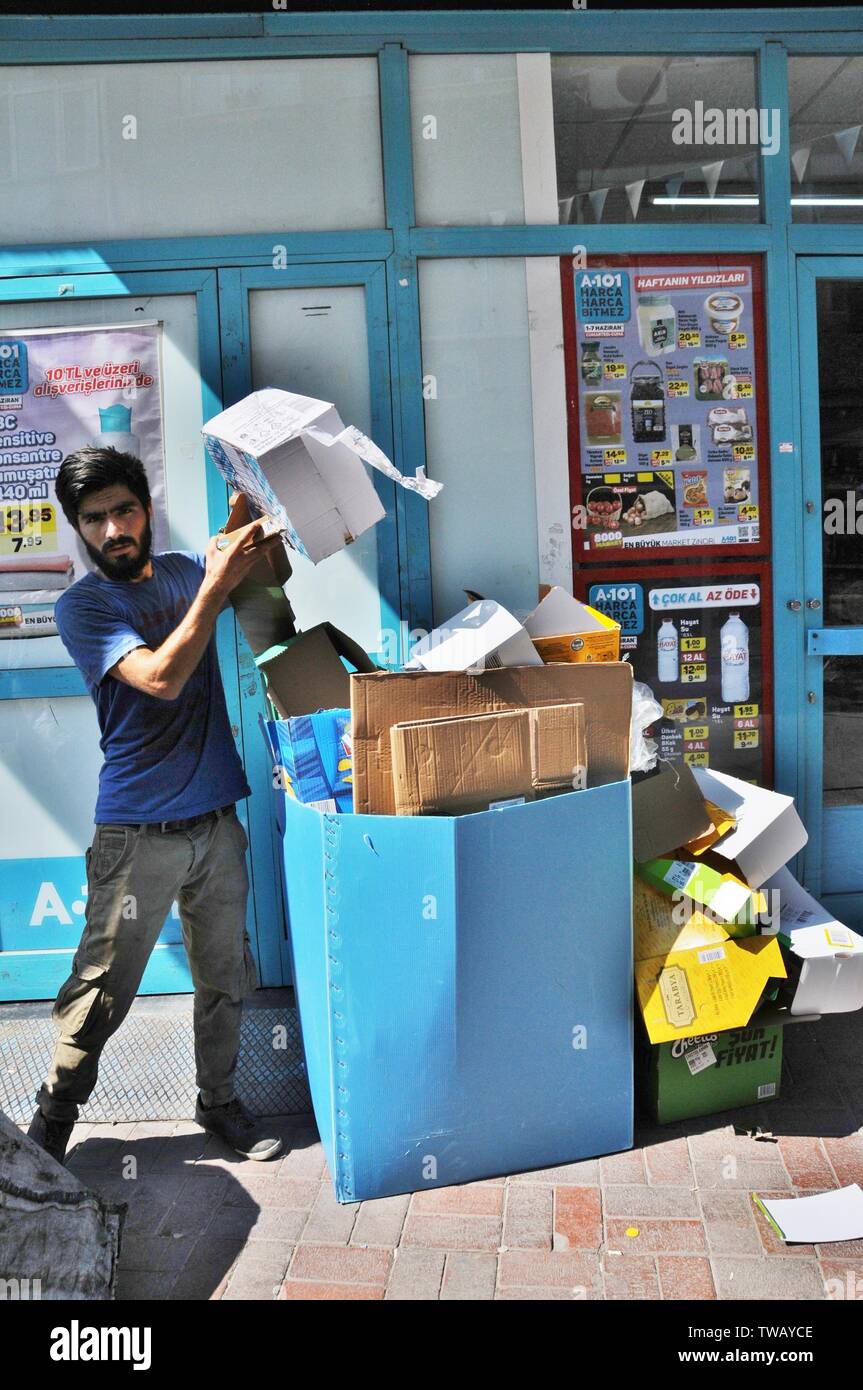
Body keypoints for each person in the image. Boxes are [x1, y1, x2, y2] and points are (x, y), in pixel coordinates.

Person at [27, 445, 286, 1166]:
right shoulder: (84, 607)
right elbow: (163, 677)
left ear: (146, 510)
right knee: (102, 989)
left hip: (216, 824)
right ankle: (55, 1114)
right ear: (78, 530)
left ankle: (220, 1101)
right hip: (137, 833)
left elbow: (241, 560)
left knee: (225, 978)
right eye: (95, 519)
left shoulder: (177, 572)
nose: (113, 530)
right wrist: (216, 583)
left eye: (124, 510)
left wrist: (250, 489)